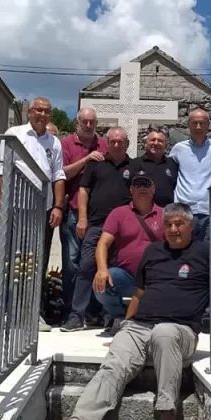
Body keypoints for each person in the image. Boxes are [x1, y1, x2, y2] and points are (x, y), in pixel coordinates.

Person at [41, 203, 209, 420]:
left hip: (179, 330)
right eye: (168, 224)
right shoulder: (152, 251)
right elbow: (140, 294)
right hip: (140, 327)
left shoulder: (204, 253)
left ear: (191, 226)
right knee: (113, 365)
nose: (173, 229)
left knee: (164, 333)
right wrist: (126, 327)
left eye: (179, 224)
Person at [0, 97, 66, 332]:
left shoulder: (54, 142)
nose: (43, 115)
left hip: (42, 210)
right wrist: (3, 201)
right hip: (15, 207)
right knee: (10, 259)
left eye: (47, 111)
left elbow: (58, 176)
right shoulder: (14, 134)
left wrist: (58, 206)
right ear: (30, 112)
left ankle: (32, 313)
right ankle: (2, 312)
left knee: (37, 261)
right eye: (38, 110)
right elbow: (1, 169)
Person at [61, 126, 132, 332]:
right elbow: (83, 190)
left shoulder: (134, 166)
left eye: (121, 141)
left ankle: (109, 316)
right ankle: (77, 315)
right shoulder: (95, 164)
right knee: (86, 268)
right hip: (96, 225)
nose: (117, 144)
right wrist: (82, 218)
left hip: (122, 229)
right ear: (107, 143)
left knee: (115, 271)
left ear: (126, 144)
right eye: (113, 141)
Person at [92, 168, 163, 333]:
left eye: (146, 184)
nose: (142, 188)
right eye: (137, 185)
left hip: (156, 278)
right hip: (126, 277)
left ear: (154, 189)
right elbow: (103, 243)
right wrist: (102, 269)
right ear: (131, 189)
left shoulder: (165, 214)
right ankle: (120, 318)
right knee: (101, 284)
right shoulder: (118, 213)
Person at [59, 107, 108, 316]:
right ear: (77, 123)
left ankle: (93, 311)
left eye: (92, 122)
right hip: (73, 211)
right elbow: (62, 173)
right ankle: (71, 310)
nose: (88, 126)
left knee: (96, 262)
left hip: (98, 215)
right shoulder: (66, 143)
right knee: (71, 262)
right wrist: (86, 160)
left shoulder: (105, 144)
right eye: (85, 122)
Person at [170, 109, 211, 242]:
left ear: (208, 125)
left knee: (208, 253)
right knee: (185, 251)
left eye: (202, 123)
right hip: (184, 211)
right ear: (189, 125)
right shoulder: (178, 149)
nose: (198, 127)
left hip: (210, 210)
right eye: (195, 123)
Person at [129, 125, 178, 207]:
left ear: (166, 145)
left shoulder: (172, 164)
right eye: (152, 140)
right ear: (146, 143)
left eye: (160, 141)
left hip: (166, 213)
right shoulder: (134, 163)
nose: (156, 143)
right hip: (140, 213)